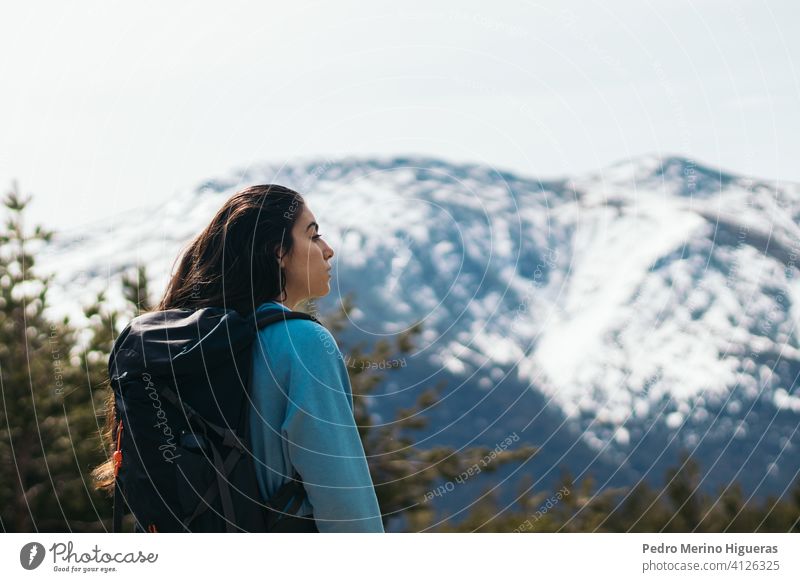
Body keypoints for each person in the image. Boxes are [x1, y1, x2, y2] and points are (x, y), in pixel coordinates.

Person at [93, 184, 384, 533]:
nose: (328, 249)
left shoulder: (175, 345)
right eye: (313, 236)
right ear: (278, 251)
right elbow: (344, 499)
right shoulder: (303, 342)